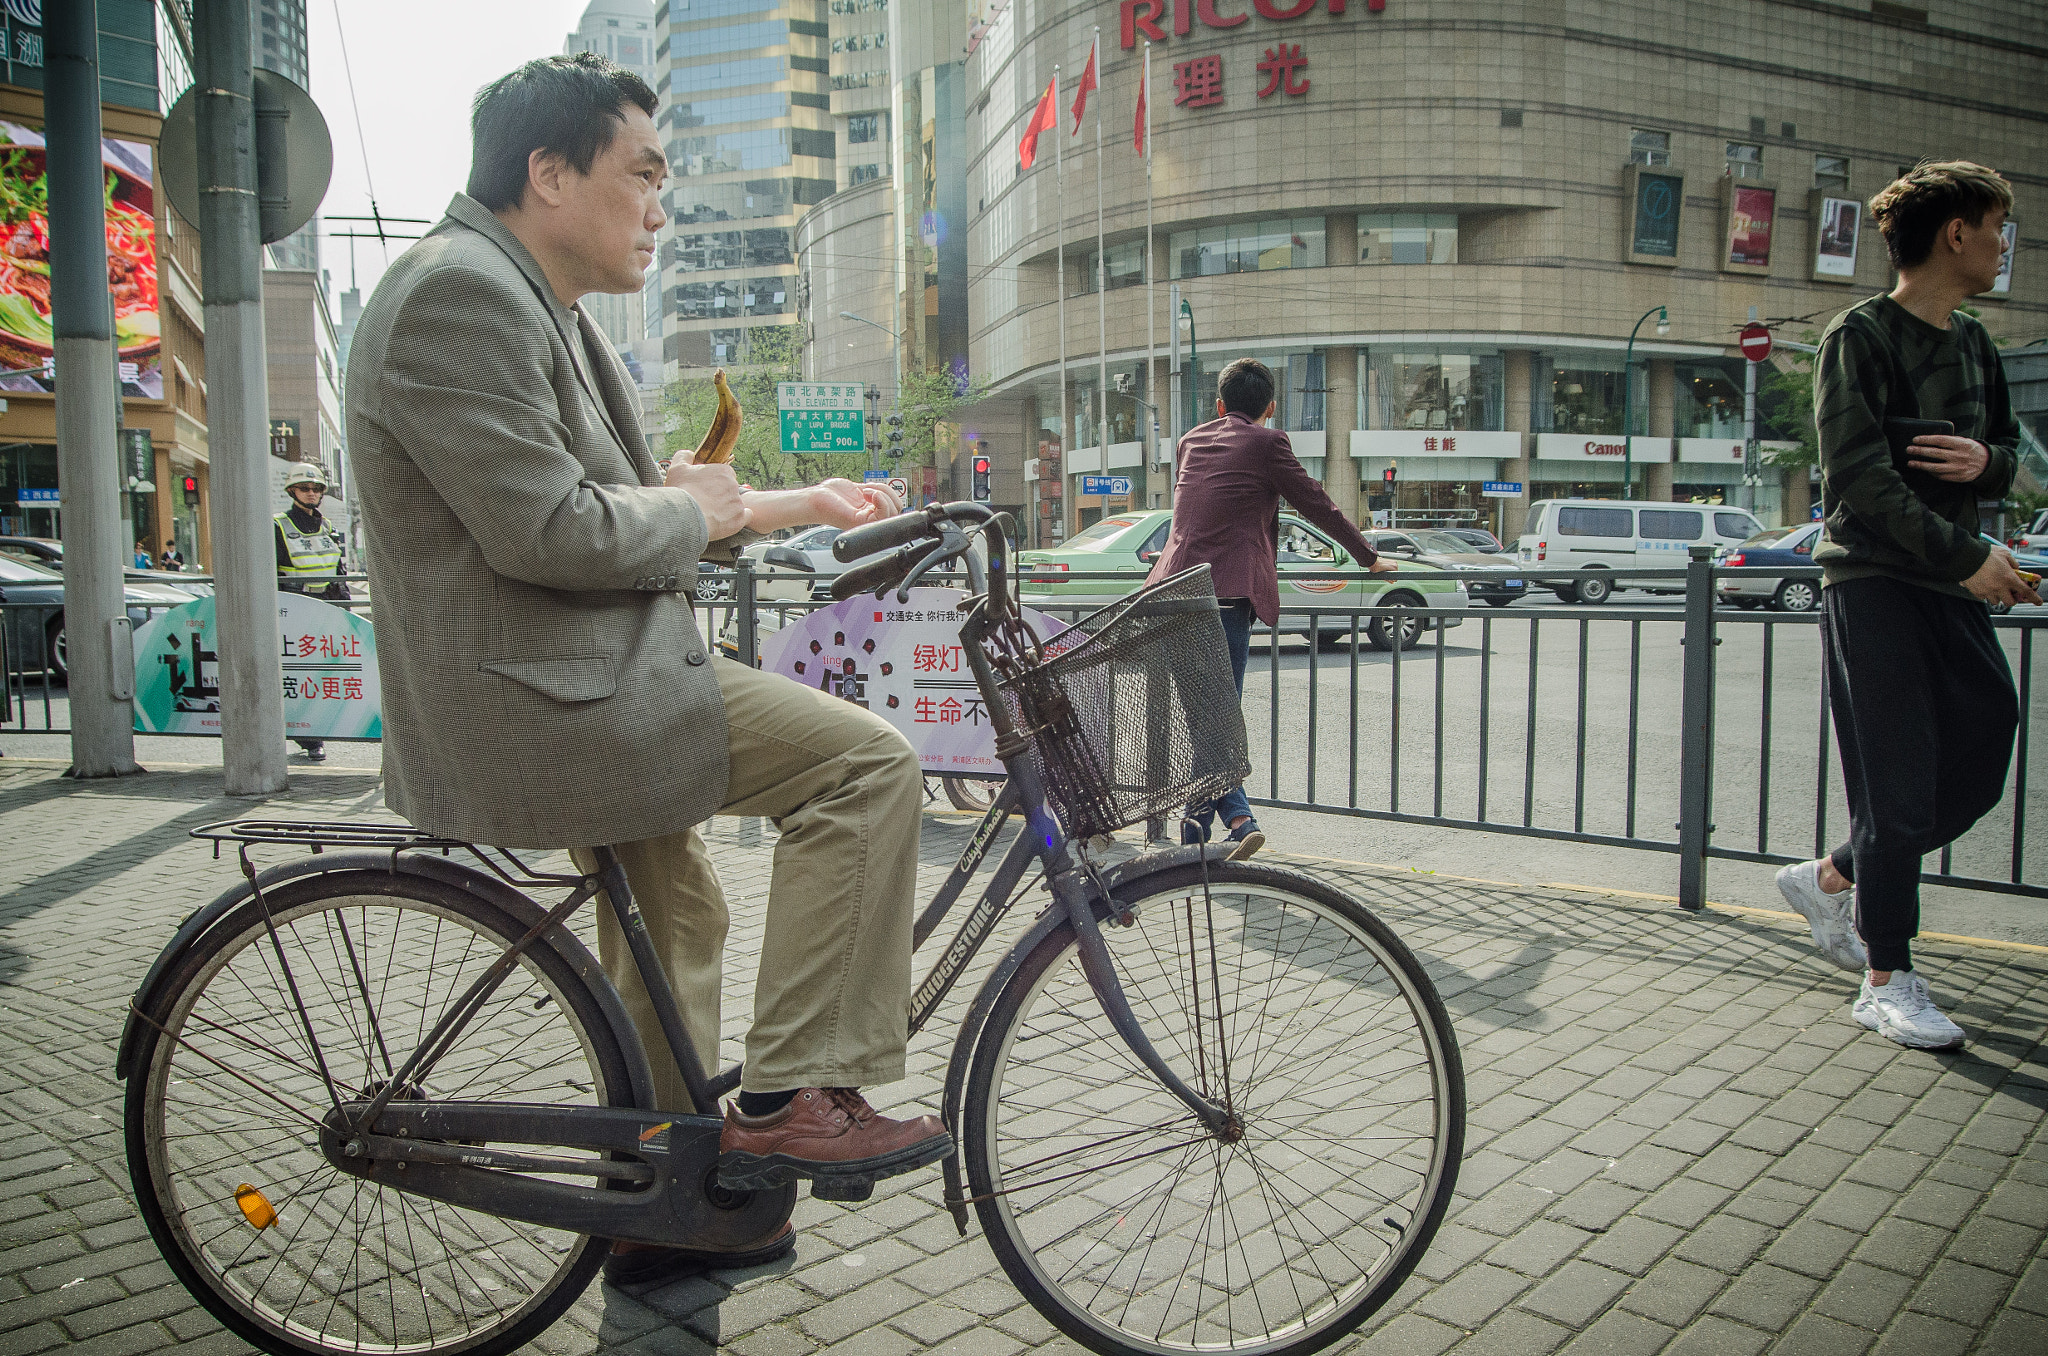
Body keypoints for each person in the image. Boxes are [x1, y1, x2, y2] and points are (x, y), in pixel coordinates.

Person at [344, 52, 947, 1287]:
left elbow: (642, 502)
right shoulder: (460, 297)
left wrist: (790, 503)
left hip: (582, 671)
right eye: (645, 175)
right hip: (556, 695)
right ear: (548, 173)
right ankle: (784, 1101)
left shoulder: (532, 302)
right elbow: (554, 530)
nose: (660, 207)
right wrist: (719, 518)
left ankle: (663, 1204)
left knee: (678, 918)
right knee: (866, 766)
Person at [1776, 160, 2038, 1051]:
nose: (2008, 243)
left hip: (1953, 582)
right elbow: (1856, 478)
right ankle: (1887, 980)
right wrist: (1972, 555)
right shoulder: (1860, 336)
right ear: (1955, 232)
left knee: (1982, 753)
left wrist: (1987, 467)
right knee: (1894, 782)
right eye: (1999, 225)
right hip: (1876, 582)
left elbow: (2013, 455)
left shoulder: (1975, 343)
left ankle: (1833, 875)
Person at [1145, 357, 1395, 858]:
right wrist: (1368, 557)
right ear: (1271, 408)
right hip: (1225, 594)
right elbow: (1316, 504)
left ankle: (1197, 824)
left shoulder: (1190, 440)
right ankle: (1239, 818)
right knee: (1218, 715)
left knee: (1206, 713)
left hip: (1170, 590)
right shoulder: (1268, 443)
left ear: (1219, 406)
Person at [274, 462, 352, 763]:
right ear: (292, 490)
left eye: (316, 488)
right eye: (305, 488)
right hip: (295, 609)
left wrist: (344, 607)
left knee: (325, 672)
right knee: (299, 674)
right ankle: (309, 738)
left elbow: (338, 570)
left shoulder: (327, 526)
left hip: (326, 607)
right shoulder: (279, 525)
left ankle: (317, 730)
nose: (311, 493)